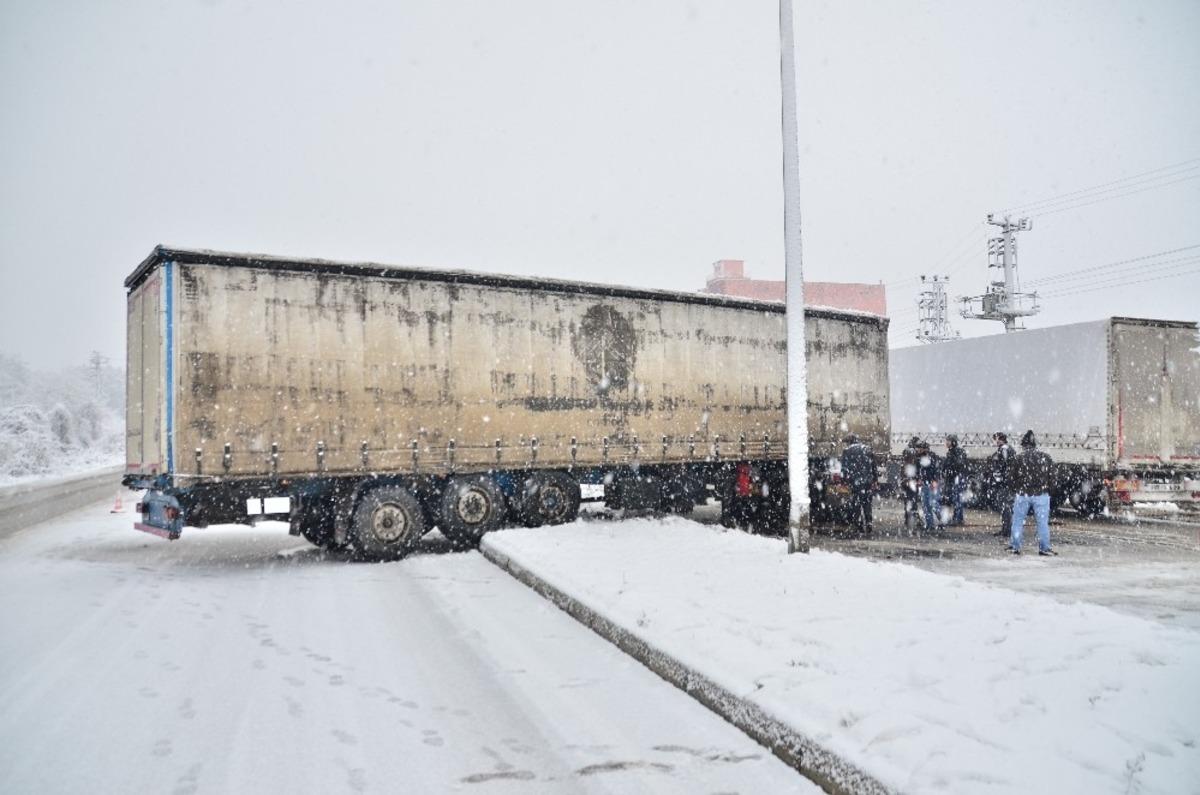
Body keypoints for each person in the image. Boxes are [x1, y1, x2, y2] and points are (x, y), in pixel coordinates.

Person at [1008, 430, 1057, 556]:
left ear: (1024, 445)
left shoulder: (1019, 458)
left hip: (1023, 494)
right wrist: (1048, 490)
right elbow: (1053, 477)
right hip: (1041, 494)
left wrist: (1017, 489)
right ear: (1035, 445)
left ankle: (1015, 546)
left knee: (1018, 521)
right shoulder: (1045, 458)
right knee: (1042, 523)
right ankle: (1044, 548)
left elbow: (1011, 478)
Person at [839, 433, 875, 534]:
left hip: (855, 482)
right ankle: (869, 523)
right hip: (867, 481)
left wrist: (844, 480)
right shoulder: (867, 449)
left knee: (856, 504)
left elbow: (844, 467)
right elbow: (873, 465)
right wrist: (874, 479)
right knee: (867, 503)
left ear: (850, 442)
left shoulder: (847, 451)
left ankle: (858, 525)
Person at [988, 432, 1015, 537]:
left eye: (996, 439)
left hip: (1005, 484)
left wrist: (999, 479)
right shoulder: (1006, 449)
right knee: (1006, 507)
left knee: (1005, 507)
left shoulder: (1004, 449)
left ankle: (1006, 530)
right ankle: (1006, 529)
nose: (995, 441)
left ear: (1000, 439)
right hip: (1007, 483)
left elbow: (1004, 465)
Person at [915, 440, 942, 532]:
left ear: (924, 449)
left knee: (931, 505)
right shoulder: (921, 458)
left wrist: (934, 480)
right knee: (926, 505)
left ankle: (938, 523)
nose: (917, 449)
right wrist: (920, 479)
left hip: (930, 484)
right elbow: (921, 471)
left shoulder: (930, 458)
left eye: (919, 448)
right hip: (925, 484)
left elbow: (935, 470)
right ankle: (930, 524)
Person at [943, 434, 968, 526]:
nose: (946, 443)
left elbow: (958, 464)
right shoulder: (952, 452)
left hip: (957, 478)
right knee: (956, 499)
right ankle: (958, 518)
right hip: (955, 477)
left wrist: (950, 470)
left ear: (952, 442)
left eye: (948, 441)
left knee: (957, 499)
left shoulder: (957, 452)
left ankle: (957, 519)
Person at [900, 436, 922, 532]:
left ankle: (908, 519)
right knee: (913, 501)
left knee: (908, 501)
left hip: (906, 482)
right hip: (911, 482)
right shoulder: (913, 454)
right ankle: (913, 520)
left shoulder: (907, 452)